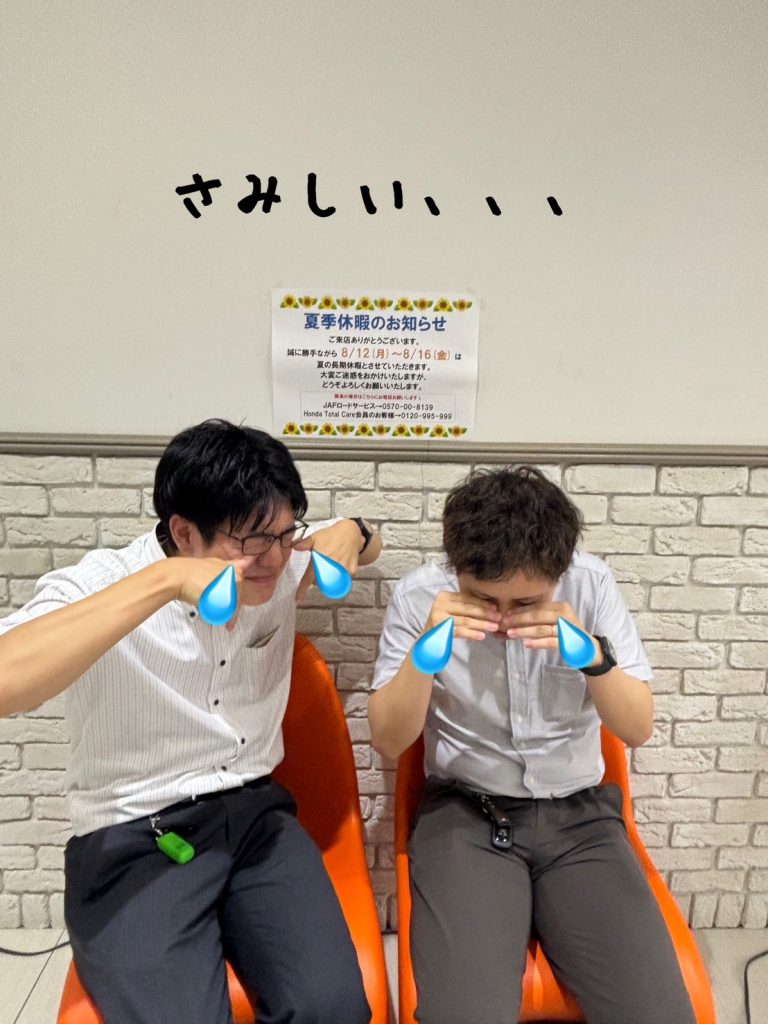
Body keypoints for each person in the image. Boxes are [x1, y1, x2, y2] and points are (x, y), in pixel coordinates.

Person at [0, 418, 381, 1024]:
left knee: (333, 1008)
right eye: (254, 540)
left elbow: (364, 539)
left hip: (255, 817)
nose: (274, 557)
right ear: (182, 532)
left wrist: (352, 532)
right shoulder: (103, 582)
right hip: (135, 835)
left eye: (286, 534)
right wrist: (166, 580)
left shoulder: (275, 558)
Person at [368, 466, 695, 1024]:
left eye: (525, 602)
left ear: (558, 573)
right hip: (468, 817)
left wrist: (593, 656)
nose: (501, 618)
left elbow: (637, 728)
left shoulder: (591, 586)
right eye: (483, 598)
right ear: (456, 568)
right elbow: (388, 740)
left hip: (581, 820)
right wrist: (424, 654)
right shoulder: (421, 595)